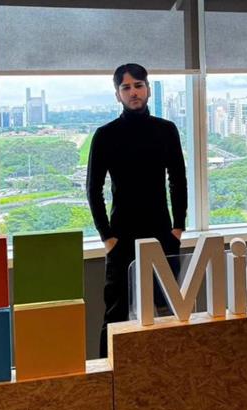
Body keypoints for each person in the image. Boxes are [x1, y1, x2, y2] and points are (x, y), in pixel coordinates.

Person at [86, 63, 187, 357]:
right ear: (117, 94)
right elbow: (93, 189)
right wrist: (107, 237)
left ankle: (167, 372)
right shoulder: (105, 135)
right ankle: (108, 375)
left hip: (162, 234)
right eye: (126, 87)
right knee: (115, 315)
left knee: (168, 311)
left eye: (139, 86)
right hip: (122, 236)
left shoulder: (166, 130)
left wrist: (178, 227)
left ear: (148, 89)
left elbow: (178, 180)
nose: (133, 93)